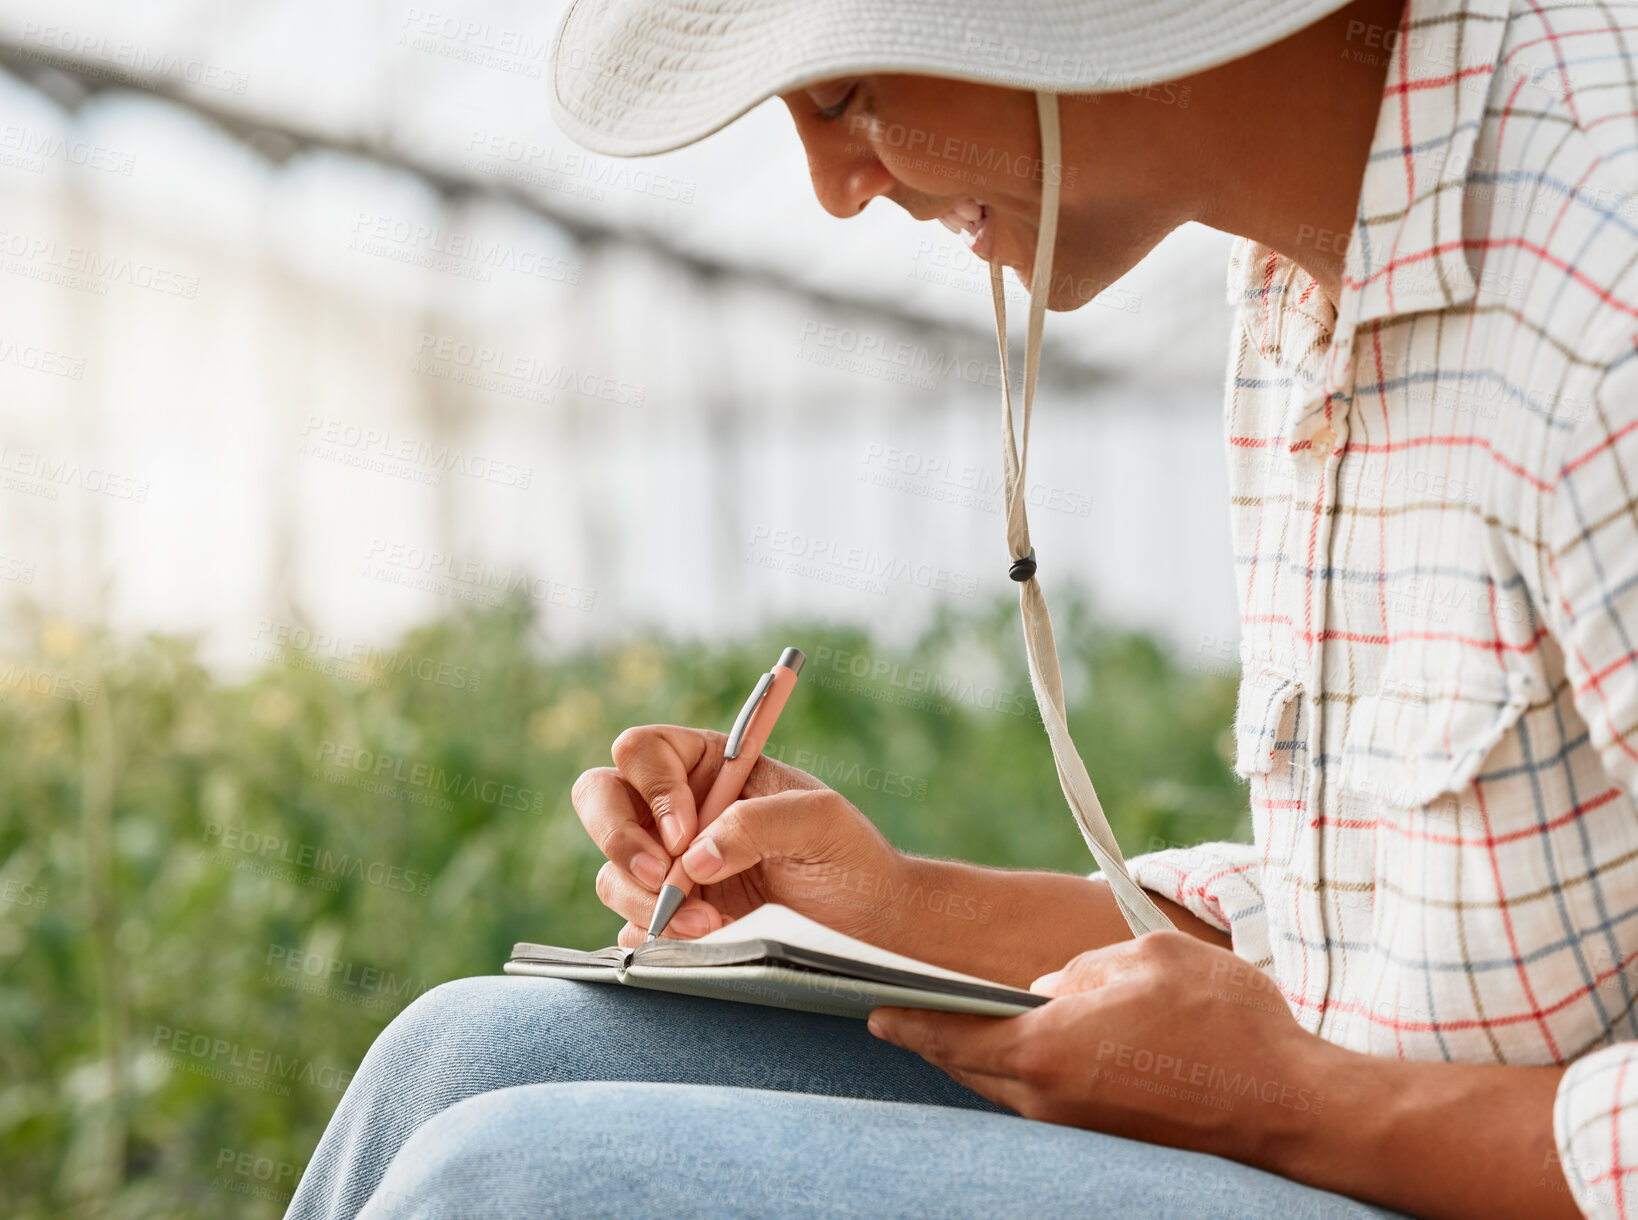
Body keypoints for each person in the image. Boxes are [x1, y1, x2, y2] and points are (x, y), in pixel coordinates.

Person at [285, 0, 1638, 1216]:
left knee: (506, 1184)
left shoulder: (1601, 278)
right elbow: (1386, 935)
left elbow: (1348, 1066)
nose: (830, 187)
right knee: (461, 1056)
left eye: (843, 94)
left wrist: (1288, 1105)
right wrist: (895, 907)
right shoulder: (1302, 268)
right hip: (1359, 1128)